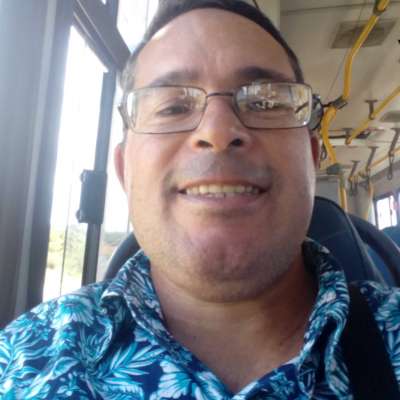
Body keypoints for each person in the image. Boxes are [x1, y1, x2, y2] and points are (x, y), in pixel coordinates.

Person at [1, 1, 400, 399]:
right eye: (172, 107)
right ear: (125, 170)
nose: (218, 131)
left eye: (264, 102)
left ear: (312, 159)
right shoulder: (22, 362)